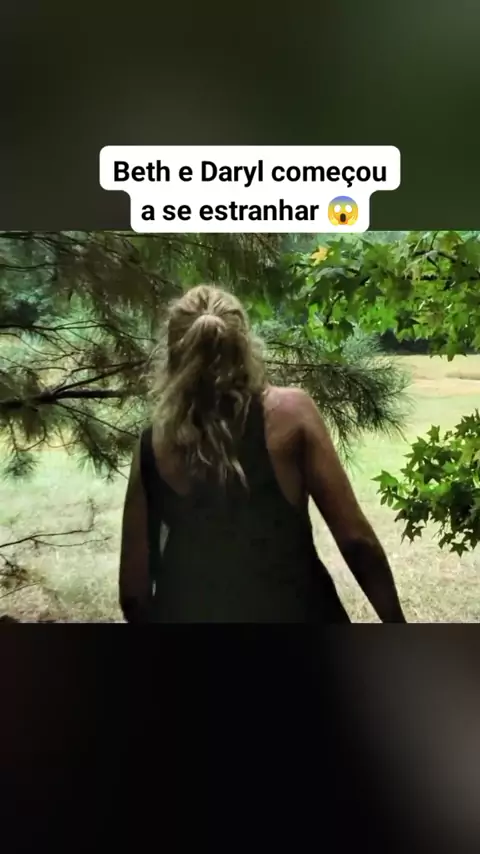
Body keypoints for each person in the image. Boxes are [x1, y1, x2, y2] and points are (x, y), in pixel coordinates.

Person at [119, 284, 406, 623]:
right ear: (245, 345)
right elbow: (357, 543)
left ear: (173, 354)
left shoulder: (152, 445)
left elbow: (134, 594)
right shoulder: (292, 414)